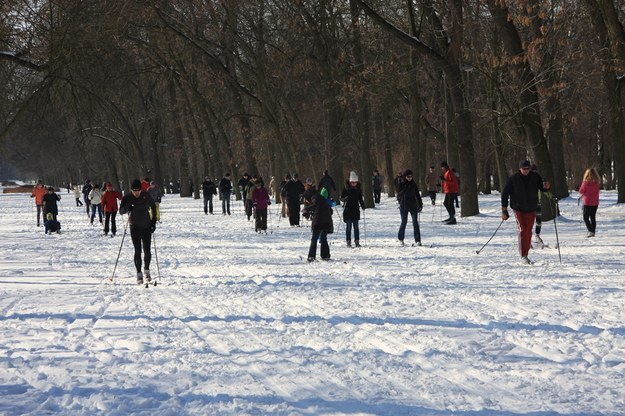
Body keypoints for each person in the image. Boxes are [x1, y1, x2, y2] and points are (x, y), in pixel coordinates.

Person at [501, 160, 551, 264]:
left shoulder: (535, 176)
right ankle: (523, 255)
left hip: (531, 207)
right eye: (524, 169)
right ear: (520, 168)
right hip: (518, 208)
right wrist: (504, 210)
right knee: (523, 229)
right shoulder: (513, 178)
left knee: (528, 230)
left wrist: (546, 187)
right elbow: (505, 194)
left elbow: (542, 188)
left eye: (527, 169)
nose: (526, 171)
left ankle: (526, 254)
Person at [119, 179, 157, 284]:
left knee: (147, 250)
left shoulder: (145, 195)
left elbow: (153, 206)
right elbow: (121, 211)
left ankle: (147, 271)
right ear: (131, 190)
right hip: (134, 227)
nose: (137, 193)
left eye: (138, 190)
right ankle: (139, 274)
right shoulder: (127, 197)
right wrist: (127, 208)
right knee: (137, 250)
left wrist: (153, 222)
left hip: (146, 226)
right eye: (135, 191)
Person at [302, 186, 334, 262]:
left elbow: (314, 205)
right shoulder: (323, 199)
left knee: (314, 239)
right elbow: (331, 211)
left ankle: (311, 256)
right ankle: (325, 255)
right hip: (327, 221)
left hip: (319, 221)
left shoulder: (315, 197)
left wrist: (306, 209)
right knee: (323, 238)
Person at [397, 169, 423, 246]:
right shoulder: (402, 184)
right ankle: (401, 239)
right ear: (405, 177)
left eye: (411, 176)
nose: (410, 178)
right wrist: (403, 191)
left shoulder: (413, 184)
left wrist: (420, 204)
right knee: (404, 222)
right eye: (408, 176)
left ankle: (417, 240)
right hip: (404, 205)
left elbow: (417, 194)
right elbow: (398, 194)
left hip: (413, 205)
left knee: (415, 222)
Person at [341, 171, 366, 247]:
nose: (354, 184)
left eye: (355, 182)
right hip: (348, 210)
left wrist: (362, 205)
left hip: (355, 210)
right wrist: (344, 199)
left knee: (356, 227)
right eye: (352, 182)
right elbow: (341, 198)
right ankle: (348, 241)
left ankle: (357, 241)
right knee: (348, 227)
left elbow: (360, 199)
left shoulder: (358, 189)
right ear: (350, 181)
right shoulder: (346, 188)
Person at [579, 168, 601, 238]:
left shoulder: (585, 183)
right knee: (592, 217)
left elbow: (581, 191)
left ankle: (590, 230)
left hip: (587, 202)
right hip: (595, 202)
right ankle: (593, 231)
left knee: (585, 217)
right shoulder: (597, 183)